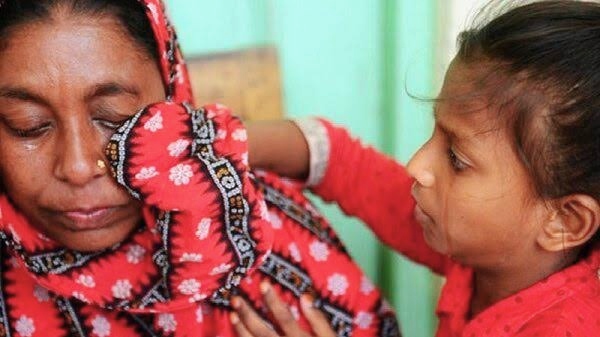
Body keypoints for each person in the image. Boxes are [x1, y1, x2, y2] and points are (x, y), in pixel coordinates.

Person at [0, 1, 399, 336]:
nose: (78, 166)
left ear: (172, 89)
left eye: (114, 118)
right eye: (27, 125)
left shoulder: (268, 245)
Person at [236, 1, 600, 336]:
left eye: (456, 160)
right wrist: (222, 141)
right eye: (435, 134)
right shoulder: (477, 243)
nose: (417, 165)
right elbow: (347, 165)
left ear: (565, 221)